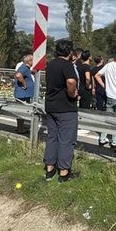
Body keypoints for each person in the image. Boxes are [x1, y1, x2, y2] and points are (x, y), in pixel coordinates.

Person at [44, 39, 79, 182]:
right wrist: (73, 94)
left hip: (51, 105)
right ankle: (64, 171)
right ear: (69, 52)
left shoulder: (50, 65)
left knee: (52, 137)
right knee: (66, 140)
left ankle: (49, 168)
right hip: (65, 107)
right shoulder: (67, 65)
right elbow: (71, 81)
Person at [14, 54, 34, 133]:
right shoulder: (24, 68)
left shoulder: (25, 68)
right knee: (21, 111)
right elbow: (18, 75)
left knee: (22, 111)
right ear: (29, 61)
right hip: (22, 94)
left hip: (24, 94)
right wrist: (24, 84)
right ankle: (20, 129)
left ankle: (21, 127)